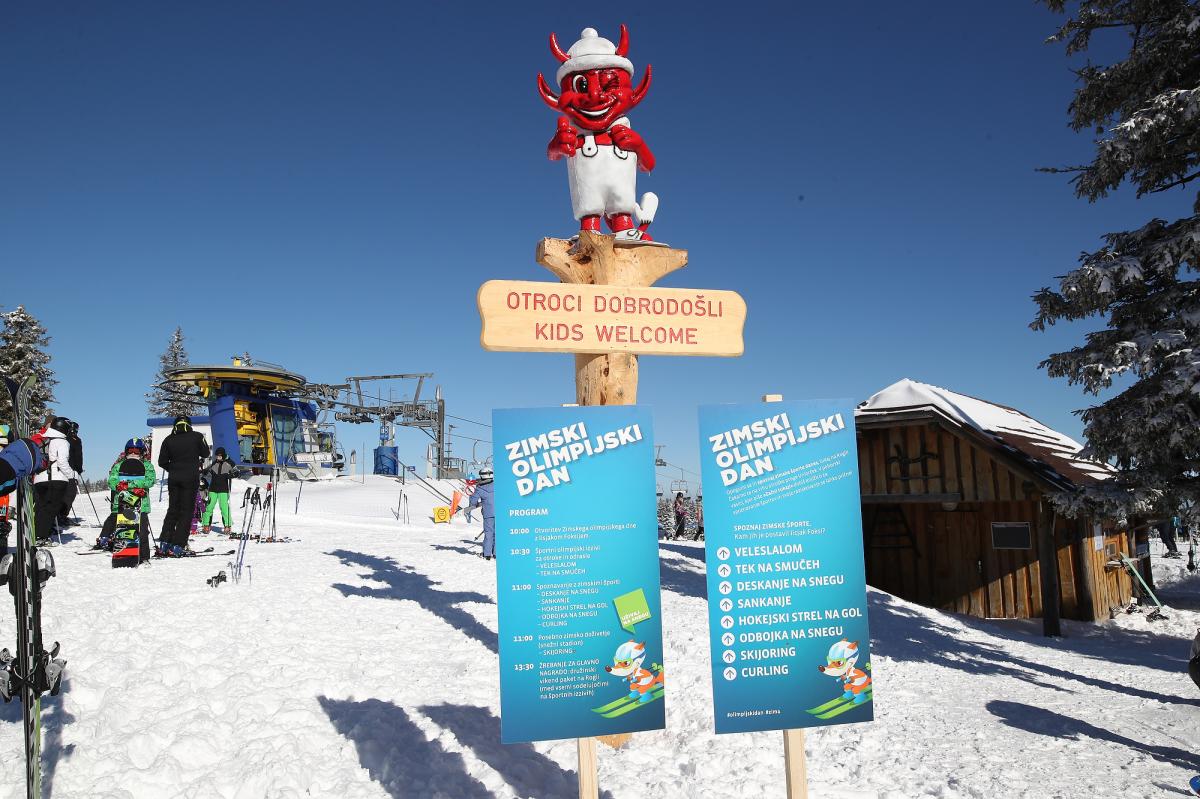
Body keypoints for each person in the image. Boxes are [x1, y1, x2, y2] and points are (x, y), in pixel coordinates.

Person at [156, 415, 210, 556]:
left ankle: (165, 542)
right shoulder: (197, 436)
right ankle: (178, 545)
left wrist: (174, 469)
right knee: (186, 512)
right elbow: (206, 453)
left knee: (173, 510)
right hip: (190, 478)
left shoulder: (168, 439)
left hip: (174, 478)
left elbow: (162, 461)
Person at [98, 438, 155, 558]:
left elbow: (150, 480)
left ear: (142, 452)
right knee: (124, 530)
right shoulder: (119, 466)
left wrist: (128, 485)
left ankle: (144, 556)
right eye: (130, 450)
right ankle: (123, 553)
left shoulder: (147, 466)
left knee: (142, 531)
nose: (133, 453)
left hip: (141, 505)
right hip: (122, 504)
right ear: (126, 451)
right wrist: (120, 485)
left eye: (136, 451)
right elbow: (112, 481)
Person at [32, 416, 73, 544]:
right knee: (51, 508)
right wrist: (71, 475)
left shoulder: (44, 439)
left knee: (41, 507)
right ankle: (42, 536)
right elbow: (62, 462)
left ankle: (36, 535)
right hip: (56, 478)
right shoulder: (62, 441)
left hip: (39, 478)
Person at [56, 420, 83, 528]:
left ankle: (57, 515)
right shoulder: (76, 439)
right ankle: (62, 516)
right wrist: (79, 469)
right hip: (71, 470)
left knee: (60, 493)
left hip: (58, 470)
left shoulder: (62, 438)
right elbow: (78, 456)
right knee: (70, 494)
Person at [201, 447, 235, 532]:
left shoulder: (229, 463)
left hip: (223, 489)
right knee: (209, 507)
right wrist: (204, 471)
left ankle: (227, 525)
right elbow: (207, 471)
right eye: (217, 456)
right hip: (213, 489)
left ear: (223, 455)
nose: (218, 457)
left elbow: (237, 471)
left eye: (220, 456)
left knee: (224, 508)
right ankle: (206, 525)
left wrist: (231, 475)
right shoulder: (214, 463)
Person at [469, 467, 495, 560]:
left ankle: (487, 554)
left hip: (488, 513)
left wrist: (475, 503)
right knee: (497, 533)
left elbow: (473, 501)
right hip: (500, 512)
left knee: (488, 533)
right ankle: (496, 553)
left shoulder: (480, 488)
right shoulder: (499, 485)